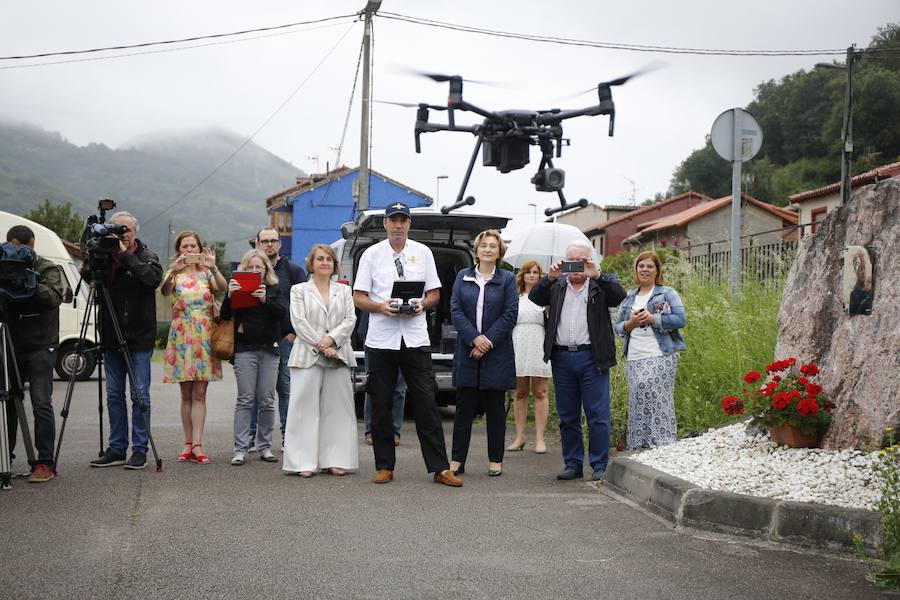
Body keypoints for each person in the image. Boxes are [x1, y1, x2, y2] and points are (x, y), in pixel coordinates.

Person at [352, 202, 462, 487]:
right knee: (380, 403)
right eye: (393, 220)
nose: (398, 225)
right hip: (381, 339)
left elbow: (435, 293)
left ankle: (440, 468)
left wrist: (422, 304)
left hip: (415, 337)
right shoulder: (371, 255)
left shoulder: (422, 253)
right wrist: (380, 307)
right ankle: (384, 466)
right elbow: (359, 296)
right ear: (385, 224)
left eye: (403, 220)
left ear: (409, 224)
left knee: (427, 401)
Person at [529, 239, 626, 481]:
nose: (577, 266)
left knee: (597, 414)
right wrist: (548, 278)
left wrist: (598, 275)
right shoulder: (557, 285)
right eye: (572, 261)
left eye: (582, 261)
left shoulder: (601, 284)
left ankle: (599, 464)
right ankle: (572, 463)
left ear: (590, 260)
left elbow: (619, 297)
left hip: (593, 358)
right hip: (562, 357)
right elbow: (534, 297)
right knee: (567, 414)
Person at [86, 211, 163, 470]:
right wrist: (95, 252)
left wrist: (124, 254)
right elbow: (89, 278)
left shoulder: (146, 256)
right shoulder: (105, 255)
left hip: (138, 338)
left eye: (126, 229)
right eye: (117, 230)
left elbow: (152, 279)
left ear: (135, 232)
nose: (122, 234)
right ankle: (116, 448)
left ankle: (139, 450)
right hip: (110, 336)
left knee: (140, 396)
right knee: (113, 396)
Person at [283, 244, 358, 477]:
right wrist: (321, 344)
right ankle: (302, 463)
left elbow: (350, 319)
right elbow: (299, 322)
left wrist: (331, 340)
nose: (324, 262)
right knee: (303, 410)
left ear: (334, 264)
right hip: (307, 354)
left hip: (339, 354)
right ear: (312, 263)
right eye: (320, 259)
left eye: (328, 259)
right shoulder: (299, 290)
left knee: (338, 409)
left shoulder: (344, 291)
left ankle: (335, 460)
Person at [449, 229, 518, 477]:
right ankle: (457, 460)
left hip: (496, 352)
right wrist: (474, 339)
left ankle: (495, 459)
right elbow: (455, 310)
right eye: (484, 245)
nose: (488, 249)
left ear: (499, 252)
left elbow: (510, 315)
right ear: (476, 250)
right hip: (468, 351)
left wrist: (486, 340)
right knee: (464, 409)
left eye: (493, 246)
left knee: (495, 409)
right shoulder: (462, 277)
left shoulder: (508, 279)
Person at [4, 225, 64, 482]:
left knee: (41, 403)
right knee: (6, 403)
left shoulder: (47, 268)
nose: (17, 252)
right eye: (13, 247)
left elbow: (53, 298)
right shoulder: (3, 266)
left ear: (32, 244)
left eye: (22, 247)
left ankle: (44, 463)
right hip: (11, 343)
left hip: (41, 344)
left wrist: (28, 278)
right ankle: (4, 459)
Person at [161, 231, 226, 464]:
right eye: (184, 246)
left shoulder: (207, 272)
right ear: (179, 250)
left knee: (200, 393)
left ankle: (198, 444)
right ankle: (186, 443)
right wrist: (175, 272)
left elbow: (222, 288)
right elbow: (165, 291)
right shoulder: (174, 273)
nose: (189, 250)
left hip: (205, 334)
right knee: (185, 393)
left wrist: (214, 267)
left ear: (200, 249)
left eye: (193, 246)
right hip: (181, 334)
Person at [613, 251, 686, 450]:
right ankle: (640, 444)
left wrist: (654, 319)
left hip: (661, 354)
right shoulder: (629, 297)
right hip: (635, 355)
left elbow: (680, 320)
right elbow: (618, 327)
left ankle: (663, 443)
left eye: (649, 266)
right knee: (638, 396)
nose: (645, 270)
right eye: (641, 266)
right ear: (636, 270)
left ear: (656, 270)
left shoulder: (667, 293)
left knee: (655, 394)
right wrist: (631, 323)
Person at [221, 249, 285, 465]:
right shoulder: (237, 287)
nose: (255, 270)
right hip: (245, 349)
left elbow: (281, 313)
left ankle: (265, 447)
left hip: (269, 349)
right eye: (251, 267)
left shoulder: (274, 288)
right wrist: (229, 296)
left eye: (259, 267)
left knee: (267, 400)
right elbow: (224, 316)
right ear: (244, 269)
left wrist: (265, 299)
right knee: (245, 399)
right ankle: (240, 449)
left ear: (266, 269)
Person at [249, 227, 307, 448]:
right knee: (256, 392)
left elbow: (303, 305)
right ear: (258, 243)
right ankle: (251, 438)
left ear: (280, 244)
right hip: (256, 340)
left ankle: (287, 436)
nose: (269, 244)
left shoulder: (293, 271)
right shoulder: (250, 271)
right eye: (265, 241)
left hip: (285, 339)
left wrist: (294, 333)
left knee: (285, 389)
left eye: (273, 240)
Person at [508, 260, 552, 454]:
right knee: (520, 392)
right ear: (523, 275)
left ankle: (540, 438)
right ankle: (520, 436)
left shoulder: (546, 297)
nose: (532, 275)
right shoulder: (514, 296)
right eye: (529, 272)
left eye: (536, 272)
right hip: (518, 342)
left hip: (539, 343)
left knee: (541, 391)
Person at [359, 310, 406, 447]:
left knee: (399, 386)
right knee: (374, 385)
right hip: (375, 331)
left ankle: (395, 430)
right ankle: (372, 430)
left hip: (403, 331)